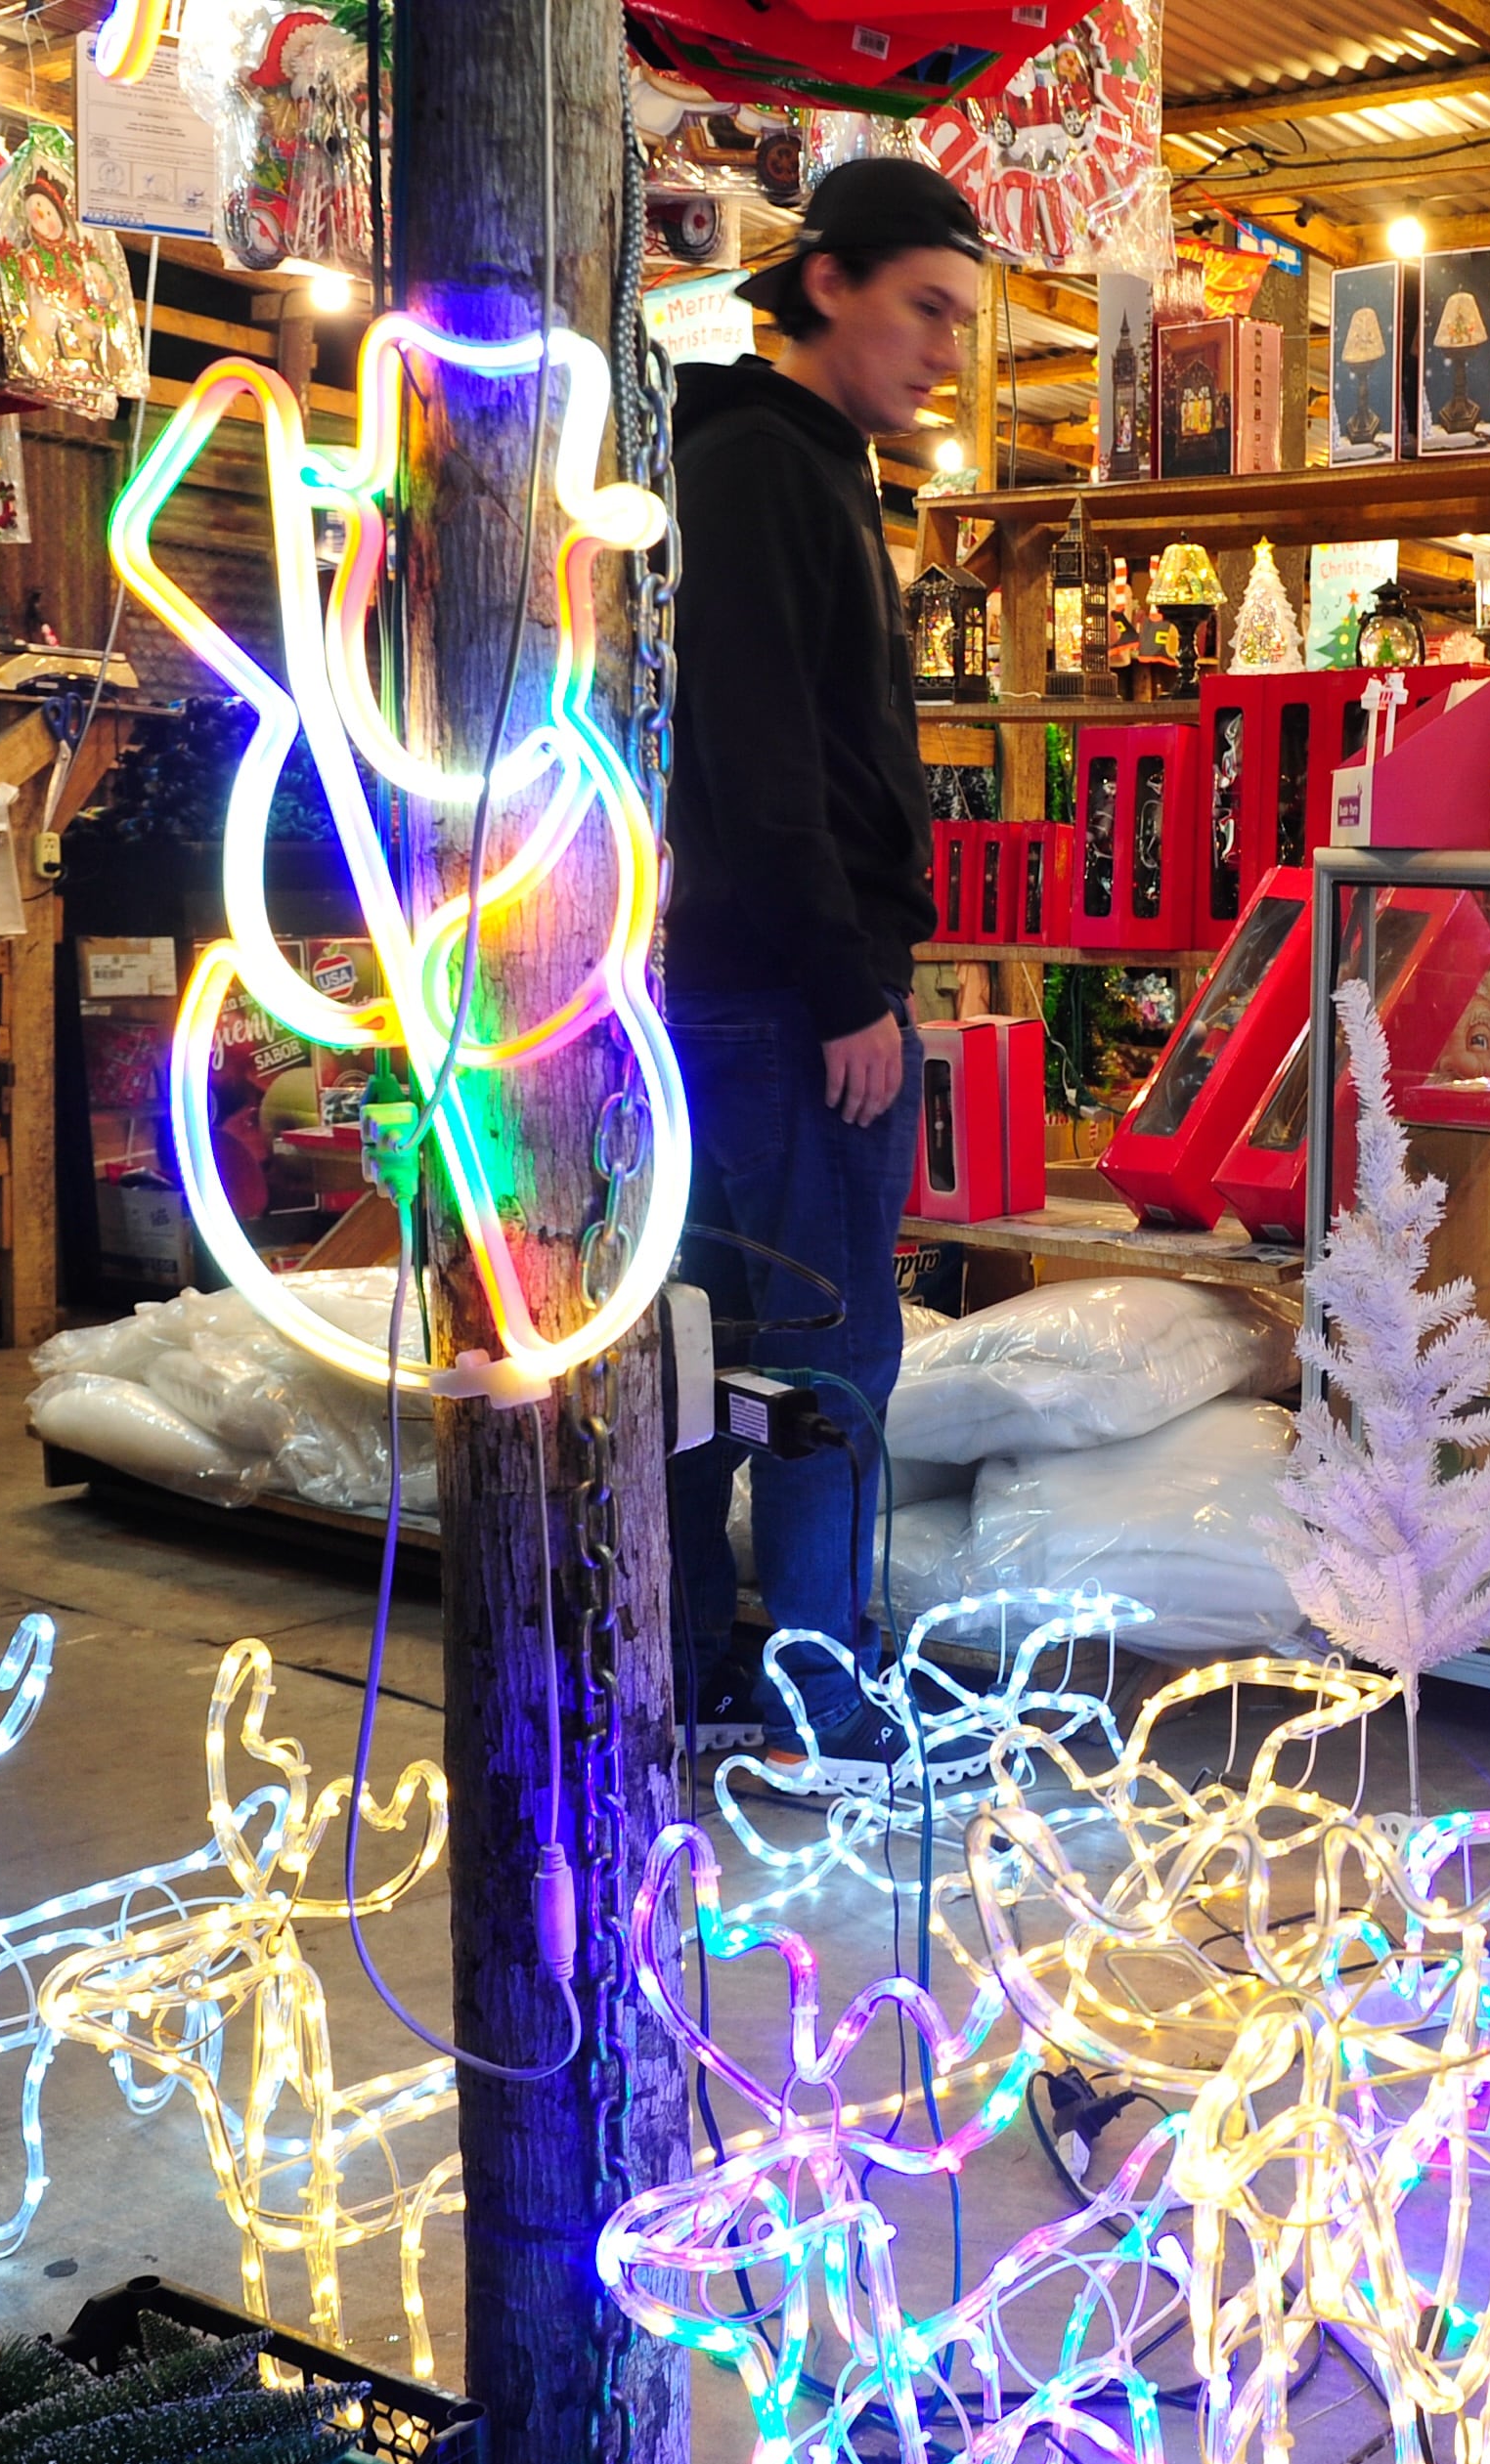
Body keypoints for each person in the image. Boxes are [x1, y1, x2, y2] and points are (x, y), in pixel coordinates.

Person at [662, 158, 981, 1744]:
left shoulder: (789, 463)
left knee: (712, 1350)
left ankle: (694, 1675)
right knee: (824, 1357)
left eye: (965, 321)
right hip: (783, 1002)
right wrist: (846, 982)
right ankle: (819, 1704)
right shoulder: (771, 468)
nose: (948, 350)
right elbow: (760, 749)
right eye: (926, 306)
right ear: (827, 280)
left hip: (735, 992)